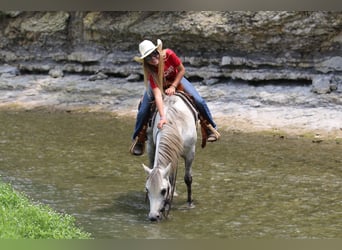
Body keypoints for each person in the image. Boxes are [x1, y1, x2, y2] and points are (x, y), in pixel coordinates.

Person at [129, 39, 220, 156]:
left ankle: (210, 127)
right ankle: (139, 138)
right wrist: (162, 117)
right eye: (148, 58)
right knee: (143, 110)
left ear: (158, 50)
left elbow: (182, 70)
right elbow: (157, 95)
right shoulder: (151, 72)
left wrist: (173, 86)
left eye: (155, 53)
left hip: (176, 79)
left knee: (199, 101)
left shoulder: (168, 55)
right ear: (145, 61)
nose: (153, 58)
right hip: (159, 85)